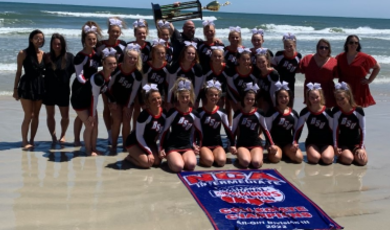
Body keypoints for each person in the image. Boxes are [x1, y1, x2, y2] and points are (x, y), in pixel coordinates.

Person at [71, 48, 117, 156]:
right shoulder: (98, 78)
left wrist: (112, 100)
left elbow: (106, 90)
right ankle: (88, 149)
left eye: (114, 63)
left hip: (89, 100)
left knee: (95, 124)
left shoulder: (108, 76)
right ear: (104, 64)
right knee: (90, 124)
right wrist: (92, 114)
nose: (113, 66)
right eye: (109, 64)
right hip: (80, 100)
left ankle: (94, 148)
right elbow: (94, 97)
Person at [159, 78, 203, 172]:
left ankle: (180, 158)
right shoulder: (172, 112)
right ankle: (170, 159)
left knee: (191, 165)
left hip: (186, 145)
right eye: (182, 97)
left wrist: (196, 145)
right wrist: (161, 148)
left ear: (190, 97)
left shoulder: (194, 114)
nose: (185, 99)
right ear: (178, 97)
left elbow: (199, 132)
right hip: (173, 146)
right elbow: (164, 131)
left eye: (187, 97)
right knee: (178, 167)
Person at [96, 18, 127, 143]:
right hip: (105, 79)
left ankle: (115, 132)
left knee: (117, 107)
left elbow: (126, 62)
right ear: (108, 31)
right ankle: (110, 133)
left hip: (119, 81)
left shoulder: (123, 45)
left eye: (117, 32)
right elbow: (95, 61)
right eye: (113, 31)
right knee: (107, 107)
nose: (115, 34)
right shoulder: (100, 45)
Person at [13, 30, 45, 149]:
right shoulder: (23, 53)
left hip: (39, 86)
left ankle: (32, 140)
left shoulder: (43, 54)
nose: (39, 40)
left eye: (41, 38)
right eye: (36, 38)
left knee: (36, 115)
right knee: (29, 115)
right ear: (31, 39)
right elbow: (18, 72)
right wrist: (15, 89)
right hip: (26, 85)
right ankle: (24, 141)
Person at [71, 21, 102, 146]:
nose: (92, 41)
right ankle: (80, 142)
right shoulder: (80, 56)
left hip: (92, 88)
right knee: (85, 118)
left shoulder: (97, 55)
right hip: (81, 88)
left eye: (94, 39)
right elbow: (79, 75)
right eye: (89, 39)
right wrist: (88, 84)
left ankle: (90, 145)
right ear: (84, 40)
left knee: (88, 117)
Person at [107, 44, 142, 152]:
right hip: (115, 100)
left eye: (134, 58)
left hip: (128, 101)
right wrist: (111, 101)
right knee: (116, 121)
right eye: (130, 57)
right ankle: (113, 145)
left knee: (126, 121)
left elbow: (134, 91)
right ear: (125, 57)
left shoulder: (137, 74)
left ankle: (125, 146)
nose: (132, 60)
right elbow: (108, 86)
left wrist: (128, 106)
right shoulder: (117, 68)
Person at [43, 33, 75, 144]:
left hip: (64, 91)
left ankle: (63, 135)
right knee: (50, 115)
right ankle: (53, 136)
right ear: (51, 45)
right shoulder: (46, 57)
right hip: (48, 91)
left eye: (59, 44)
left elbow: (80, 71)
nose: (57, 46)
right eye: (55, 44)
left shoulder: (69, 57)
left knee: (65, 116)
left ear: (63, 45)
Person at [125, 83, 166, 168]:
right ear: (148, 102)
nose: (157, 101)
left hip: (149, 142)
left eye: (158, 98)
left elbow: (164, 133)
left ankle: (143, 155)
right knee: (147, 163)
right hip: (135, 142)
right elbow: (139, 136)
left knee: (157, 162)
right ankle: (130, 158)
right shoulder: (144, 116)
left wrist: (160, 149)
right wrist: (150, 153)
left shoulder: (164, 113)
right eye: (153, 99)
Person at [293, 82, 334, 165]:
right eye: (312, 97)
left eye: (317, 97)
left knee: (327, 159)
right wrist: (295, 141)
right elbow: (298, 129)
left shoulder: (327, 112)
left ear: (321, 96)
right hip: (312, 142)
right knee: (315, 159)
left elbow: (333, 130)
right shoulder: (305, 112)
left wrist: (336, 145)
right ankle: (313, 153)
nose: (314, 100)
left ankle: (329, 154)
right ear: (308, 98)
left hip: (327, 142)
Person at [336, 35, 380, 107]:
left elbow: (377, 67)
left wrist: (369, 80)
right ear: (347, 44)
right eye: (351, 42)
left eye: (356, 43)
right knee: (343, 110)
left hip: (359, 87)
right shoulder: (340, 57)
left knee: (357, 112)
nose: (353, 45)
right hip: (344, 87)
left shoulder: (365, 57)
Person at [197, 80, 234, 167]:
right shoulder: (200, 112)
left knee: (221, 162)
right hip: (204, 145)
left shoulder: (222, 112)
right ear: (206, 95)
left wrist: (233, 144)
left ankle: (214, 155)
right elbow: (195, 131)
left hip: (217, 144)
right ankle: (203, 158)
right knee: (209, 162)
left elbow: (228, 130)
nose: (214, 97)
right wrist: (196, 145)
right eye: (211, 95)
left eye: (216, 95)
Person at [230, 82, 268, 168]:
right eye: (247, 99)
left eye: (252, 99)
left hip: (256, 143)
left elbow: (265, 129)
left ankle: (258, 157)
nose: (249, 101)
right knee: (246, 162)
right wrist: (233, 145)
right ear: (243, 99)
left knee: (256, 163)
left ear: (255, 100)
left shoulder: (259, 112)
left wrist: (271, 144)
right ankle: (241, 157)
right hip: (242, 144)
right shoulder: (238, 113)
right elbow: (233, 131)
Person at [264, 81, 303, 163]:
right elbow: (266, 130)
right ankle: (278, 152)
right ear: (276, 98)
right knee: (276, 158)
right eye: (280, 97)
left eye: (286, 96)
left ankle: (285, 152)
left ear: (289, 97)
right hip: (275, 143)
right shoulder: (271, 112)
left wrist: (295, 143)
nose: (283, 99)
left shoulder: (294, 114)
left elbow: (297, 130)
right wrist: (271, 144)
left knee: (299, 158)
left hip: (287, 143)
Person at [332, 81, 367, 166]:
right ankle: (341, 156)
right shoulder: (336, 111)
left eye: (342, 98)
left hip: (356, 143)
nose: (340, 101)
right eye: (337, 99)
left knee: (362, 161)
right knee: (348, 159)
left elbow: (363, 130)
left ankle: (355, 153)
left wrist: (361, 147)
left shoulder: (358, 110)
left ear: (348, 96)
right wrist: (336, 147)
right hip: (343, 143)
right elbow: (335, 131)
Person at [299, 39, 338, 108]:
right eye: (321, 47)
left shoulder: (334, 61)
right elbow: (295, 69)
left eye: (326, 48)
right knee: (311, 112)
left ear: (329, 49)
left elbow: (341, 74)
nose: (324, 49)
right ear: (317, 48)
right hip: (311, 90)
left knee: (327, 113)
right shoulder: (307, 59)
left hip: (327, 91)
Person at [167, 42, 203, 106]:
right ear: (184, 53)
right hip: (177, 96)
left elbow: (198, 87)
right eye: (188, 53)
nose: (191, 55)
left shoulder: (197, 68)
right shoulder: (175, 66)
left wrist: (194, 101)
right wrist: (169, 101)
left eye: (193, 54)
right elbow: (171, 85)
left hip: (190, 96)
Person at [272, 33, 302, 107]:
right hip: (279, 83)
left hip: (291, 83)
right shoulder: (279, 55)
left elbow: (299, 69)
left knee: (290, 103)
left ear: (294, 46)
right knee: (278, 103)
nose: (288, 48)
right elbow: (272, 67)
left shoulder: (298, 56)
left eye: (290, 46)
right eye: (286, 46)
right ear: (284, 46)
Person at [226, 47, 259, 112]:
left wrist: (250, 101)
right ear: (238, 60)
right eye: (243, 59)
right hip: (235, 97)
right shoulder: (232, 71)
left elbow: (256, 88)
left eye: (248, 59)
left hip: (250, 97)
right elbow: (231, 88)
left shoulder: (255, 71)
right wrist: (238, 101)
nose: (246, 61)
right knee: (238, 113)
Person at [142, 39, 170, 109]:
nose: (161, 55)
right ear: (153, 53)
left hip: (161, 94)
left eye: (163, 53)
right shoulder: (147, 66)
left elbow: (168, 85)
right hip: (148, 94)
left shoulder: (167, 66)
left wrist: (167, 99)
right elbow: (144, 84)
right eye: (158, 53)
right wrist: (144, 100)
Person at [255, 48, 279, 113]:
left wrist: (275, 107)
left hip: (272, 102)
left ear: (267, 61)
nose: (261, 64)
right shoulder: (258, 74)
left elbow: (274, 92)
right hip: (262, 101)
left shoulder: (273, 74)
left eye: (263, 62)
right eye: (259, 62)